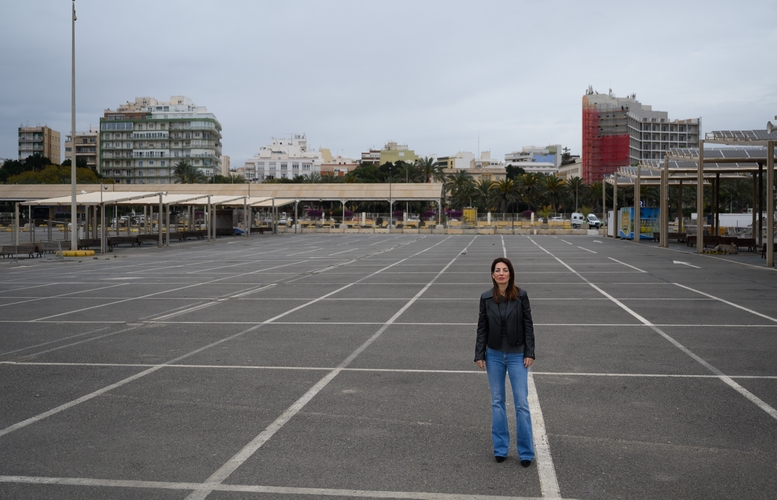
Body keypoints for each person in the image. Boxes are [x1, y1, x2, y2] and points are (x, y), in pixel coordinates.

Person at [475, 257, 535, 466]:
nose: (501, 273)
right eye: (497, 270)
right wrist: (479, 354)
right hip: (494, 355)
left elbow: (528, 325)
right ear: (493, 275)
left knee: (521, 404)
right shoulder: (485, 298)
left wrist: (529, 352)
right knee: (497, 402)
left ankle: (526, 452)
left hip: (518, 355)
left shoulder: (521, 296)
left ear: (510, 274)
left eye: (505, 270)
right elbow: (482, 327)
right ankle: (500, 448)